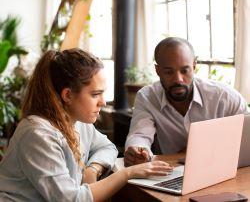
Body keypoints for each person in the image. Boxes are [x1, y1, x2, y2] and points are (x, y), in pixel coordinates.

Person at [0, 49, 172, 201]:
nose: (103, 102)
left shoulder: (77, 122)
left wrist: (92, 169)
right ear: (67, 95)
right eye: (95, 94)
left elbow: (107, 147)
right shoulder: (38, 135)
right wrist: (127, 173)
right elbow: (71, 200)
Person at [124, 37, 249, 167]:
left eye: (184, 70)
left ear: (194, 66)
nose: (178, 79)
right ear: (158, 70)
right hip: (172, 172)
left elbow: (246, 141)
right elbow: (140, 135)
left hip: (222, 169)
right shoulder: (147, 97)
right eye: (168, 72)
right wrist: (138, 151)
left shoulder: (225, 97)